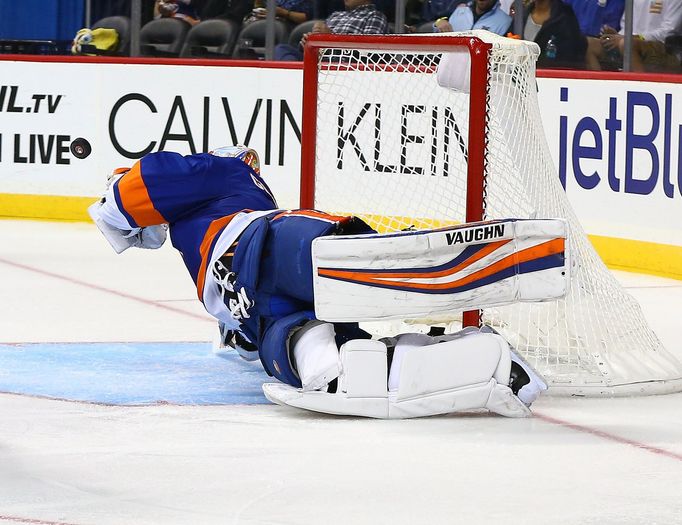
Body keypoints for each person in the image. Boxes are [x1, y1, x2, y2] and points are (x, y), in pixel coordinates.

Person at [88, 145, 549, 419]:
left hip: (263, 244)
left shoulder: (221, 171)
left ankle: (382, 258)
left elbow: (138, 188)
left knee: (318, 257)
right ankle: (482, 357)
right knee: (319, 362)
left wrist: (116, 188)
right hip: (259, 306)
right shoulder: (192, 227)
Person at [584, 0, 682, 72]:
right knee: (590, 43)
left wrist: (631, 38)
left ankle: (641, 88)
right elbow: (626, 26)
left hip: (665, 47)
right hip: (630, 41)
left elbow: (669, 31)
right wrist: (617, 36)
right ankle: (600, 89)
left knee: (627, 44)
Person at [274, 0, 389, 60]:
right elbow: (315, 44)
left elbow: (368, 55)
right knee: (281, 49)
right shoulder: (336, 15)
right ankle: (294, 76)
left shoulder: (375, 17)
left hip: (341, 68)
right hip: (315, 61)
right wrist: (308, 41)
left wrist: (331, 39)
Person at [520, 0, 587, 68]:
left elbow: (570, 57)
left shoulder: (565, 17)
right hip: (519, 73)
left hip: (553, 74)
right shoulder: (521, 15)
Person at [432, 0, 511, 35]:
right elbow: (439, 29)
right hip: (451, 65)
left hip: (480, 67)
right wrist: (438, 23)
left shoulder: (505, 21)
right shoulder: (460, 10)